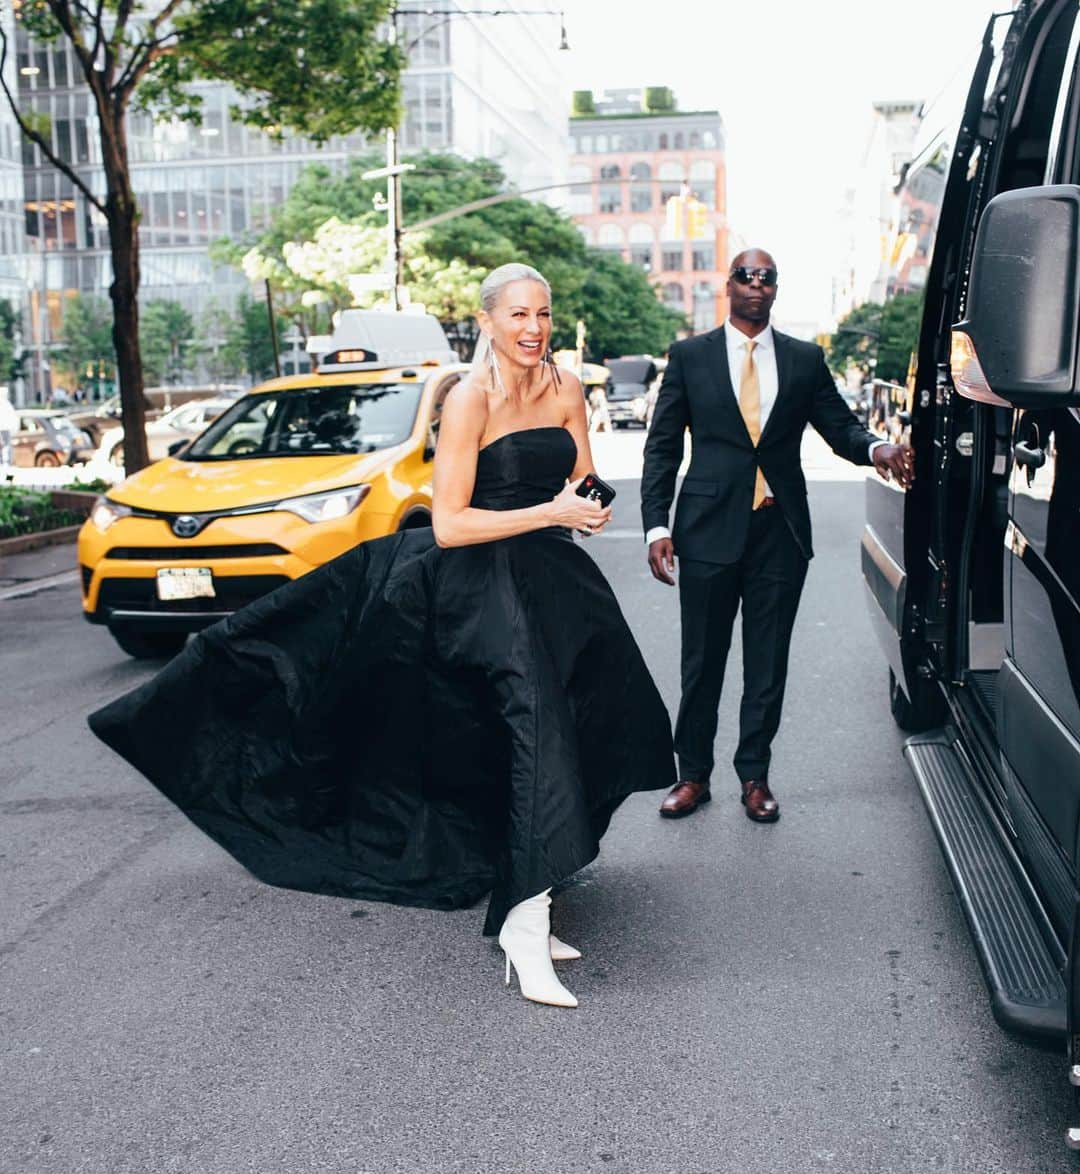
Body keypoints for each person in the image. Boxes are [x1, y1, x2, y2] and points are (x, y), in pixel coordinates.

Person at [89, 263, 676, 1009]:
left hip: (554, 584)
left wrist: (584, 507)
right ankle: (526, 926)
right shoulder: (467, 401)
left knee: (590, 720)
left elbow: (582, 480)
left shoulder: (565, 390)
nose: (534, 329)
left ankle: (526, 891)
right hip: (480, 585)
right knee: (538, 732)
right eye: (519, 315)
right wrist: (547, 515)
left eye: (544, 315)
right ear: (488, 321)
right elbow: (453, 523)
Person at [641, 249, 913, 823]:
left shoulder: (804, 359)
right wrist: (657, 525)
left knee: (768, 663)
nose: (756, 285)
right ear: (728, 285)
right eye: (745, 276)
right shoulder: (691, 356)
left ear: (775, 290)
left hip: (779, 531)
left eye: (766, 278)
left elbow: (840, 426)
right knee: (702, 661)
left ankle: (754, 777)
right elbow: (662, 447)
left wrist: (877, 448)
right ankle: (692, 775)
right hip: (708, 531)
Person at [0, 385, 17, 468]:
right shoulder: (6, 404)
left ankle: (5, 464)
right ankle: (5, 463)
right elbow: (13, 418)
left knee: (5, 447)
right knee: (6, 447)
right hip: (5, 429)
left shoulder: (5, 404)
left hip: (5, 429)